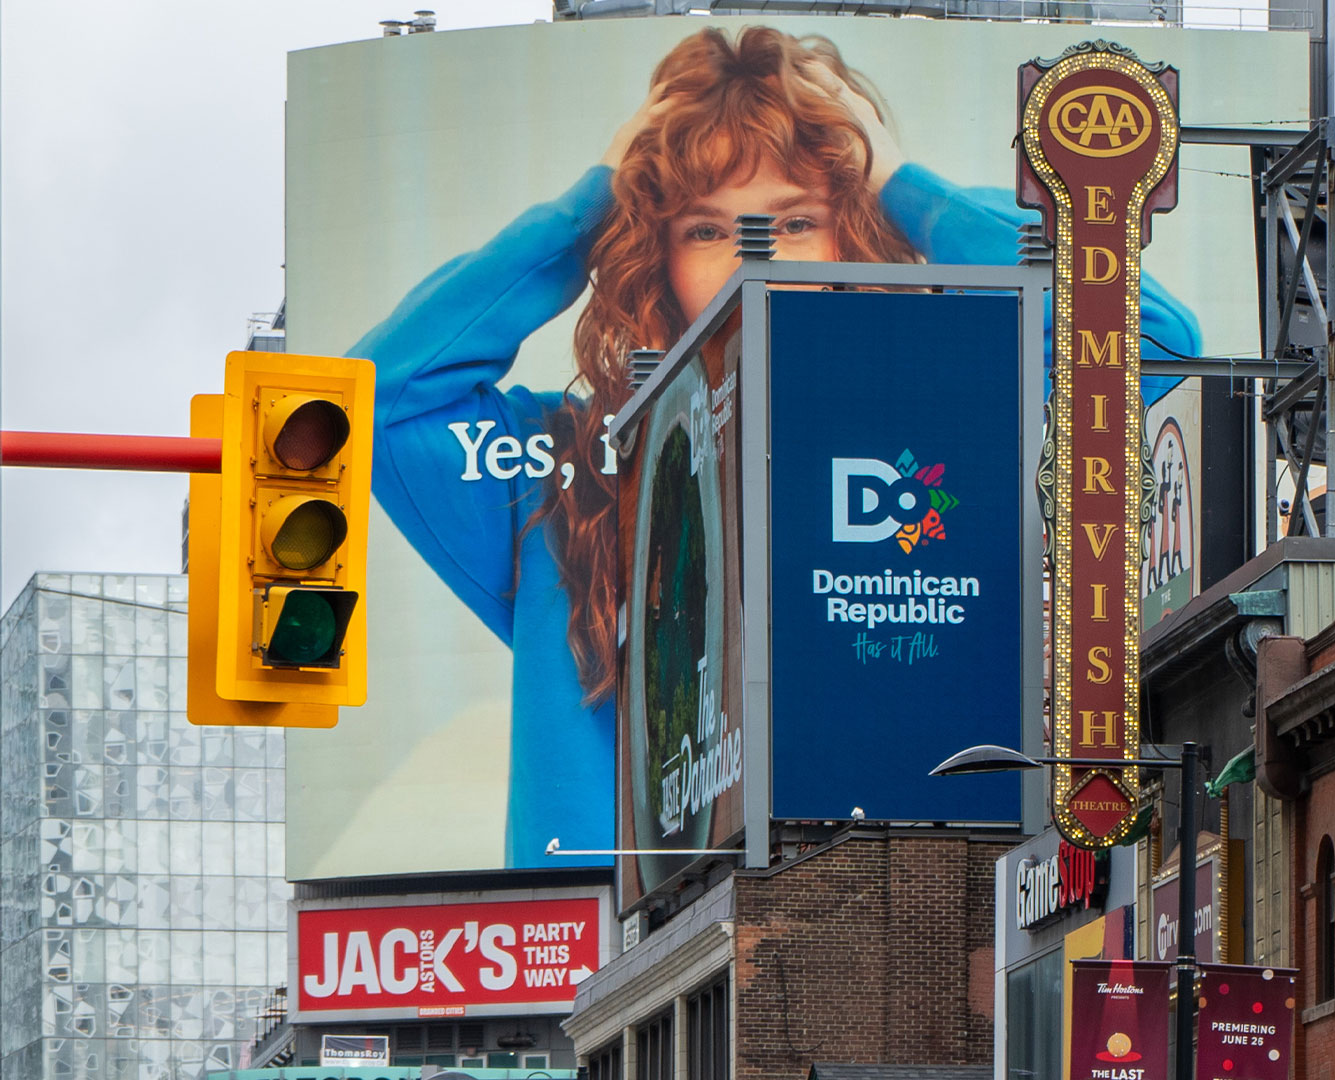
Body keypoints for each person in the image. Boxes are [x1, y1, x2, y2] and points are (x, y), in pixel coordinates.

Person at [352, 25, 1201, 867]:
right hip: (614, 971)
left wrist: (903, 185)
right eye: (706, 230)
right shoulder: (569, 466)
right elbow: (368, 401)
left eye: (794, 221)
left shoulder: (940, 422)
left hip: (887, 914)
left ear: (851, 232)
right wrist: (594, 203)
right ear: (655, 252)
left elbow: (1155, 343)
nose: (751, 261)